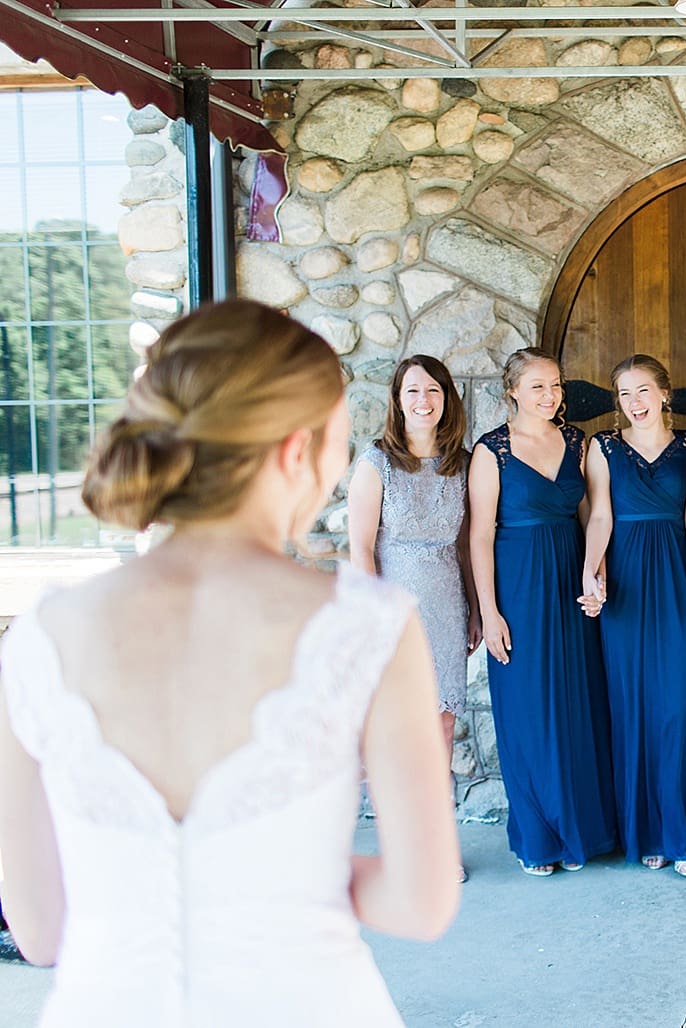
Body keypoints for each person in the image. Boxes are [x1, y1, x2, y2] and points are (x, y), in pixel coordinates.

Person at [0, 300, 459, 1025]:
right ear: (293, 451)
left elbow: (39, 930)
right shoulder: (366, 626)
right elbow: (421, 902)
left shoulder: (40, 639)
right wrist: (278, 873)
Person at [580, 355, 686, 879]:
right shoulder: (601, 447)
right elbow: (599, 514)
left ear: (665, 394)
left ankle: (681, 832)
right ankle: (647, 832)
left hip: (673, 574)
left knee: (678, 707)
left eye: (643, 391)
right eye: (624, 394)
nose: (635, 403)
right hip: (624, 578)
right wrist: (590, 572)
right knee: (633, 707)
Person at [468, 347, 616, 876]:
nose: (550, 396)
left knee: (578, 706)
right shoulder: (492, 451)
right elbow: (480, 535)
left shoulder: (578, 442)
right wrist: (489, 611)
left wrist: (594, 573)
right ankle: (539, 838)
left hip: (570, 583)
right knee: (528, 711)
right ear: (512, 390)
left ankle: (580, 829)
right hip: (519, 585)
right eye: (537, 387)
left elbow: (591, 515)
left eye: (555, 386)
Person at [348, 355, 479, 883]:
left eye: (432, 391)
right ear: (398, 403)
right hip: (394, 605)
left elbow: (469, 546)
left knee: (441, 729)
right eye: (412, 392)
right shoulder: (376, 462)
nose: (423, 401)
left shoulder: (461, 463)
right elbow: (360, 547)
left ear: (446, 398)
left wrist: (473, 607)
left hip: (446, 604)